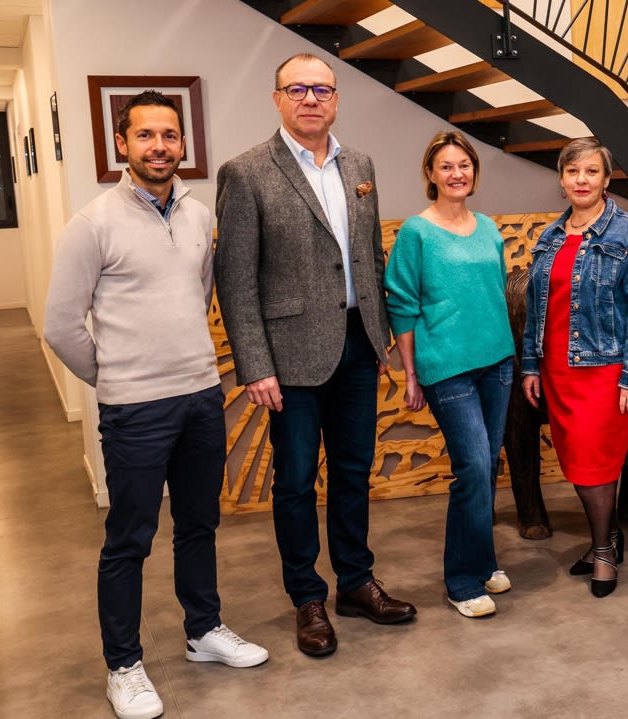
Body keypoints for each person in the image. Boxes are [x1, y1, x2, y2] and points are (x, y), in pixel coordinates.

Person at [44, 90, 268, 719]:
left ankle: (203, 631)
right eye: (146, 136)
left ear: (182, 144)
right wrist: (117, 377)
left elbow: (197, 298)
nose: (160, 147)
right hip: (135, 410)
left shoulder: (198, 218)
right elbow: (61, 326)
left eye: (170, 136)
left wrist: (180, 367)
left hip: (199, 396)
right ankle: (124, 665)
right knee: (130, 540)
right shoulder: (93, 223)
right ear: (123, 144)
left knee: (200, 524)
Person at [214, 54, 415, 657]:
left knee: (355, 473)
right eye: (297, 88)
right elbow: (236, 279)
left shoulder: (360, 164)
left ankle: (355, 582)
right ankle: (307, 597)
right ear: (277, 98)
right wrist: (255, 364)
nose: (310, 98)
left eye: (321, 89)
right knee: (297, 482)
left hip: (357, 344)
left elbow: (370, 256)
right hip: (288, 356)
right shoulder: (246, 172)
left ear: (335, 98)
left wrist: (380, 337)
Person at [520, 138, 628, 598]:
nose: (582, 180)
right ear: (562, 182)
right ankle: (610, 540)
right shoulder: (550, 236)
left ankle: (603, 552)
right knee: (577, 463)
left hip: (605, 371)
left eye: (592, 172)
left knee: (594, 467)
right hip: (557, 369)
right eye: (573, 172)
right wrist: (530, 366)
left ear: (606, 180)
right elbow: (537, 307)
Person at [384, 131, 516, 617]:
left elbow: (495, 292)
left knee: (487, 465)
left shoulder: (488, 228)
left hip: (498, 362)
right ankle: (461, 581)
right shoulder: (417, 233)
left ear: (474, 173)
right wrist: (412, 375)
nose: (456, 173)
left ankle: (482, 562)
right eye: (446, 166)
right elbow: (401, 303)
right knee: (474, 466)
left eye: (464, 165)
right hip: (447, 369)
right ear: (430, 175)